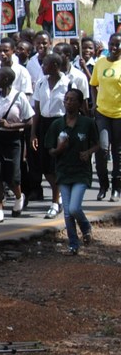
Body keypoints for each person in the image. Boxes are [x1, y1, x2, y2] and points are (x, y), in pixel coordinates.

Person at [47, 89, 98, 254]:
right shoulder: (57, 125)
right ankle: (73, 245)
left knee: (74, 208)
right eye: (66, 99)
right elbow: (50, 150)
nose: (68, 102)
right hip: (63, 172)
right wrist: (59, 149)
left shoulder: (87, 123)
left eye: (72, 100)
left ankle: (85, 226)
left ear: (79, 103)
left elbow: (98, 144)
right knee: (68, 213)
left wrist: (88, 152)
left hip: (81, 172)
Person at [0, 66, 34, 222]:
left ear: (5, 80)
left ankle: (19, 196)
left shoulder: (19, 97)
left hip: (12, 139)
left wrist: (11, 126)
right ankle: (0, 209)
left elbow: (29, 121)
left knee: (12, 176)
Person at [32, 53, 69, 217]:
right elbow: (37, 111)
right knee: (45, 166)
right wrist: (33, 133)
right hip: (44, 125)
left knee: (57, 164)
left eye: (45, 64)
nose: (42, 66)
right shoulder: (41, 83)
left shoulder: (67, 83)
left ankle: (55, 202)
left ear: (55, 65)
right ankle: (58, 194)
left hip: (60, 124)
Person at [90, 33, 121, 202]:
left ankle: (116, 188)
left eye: (118, 44)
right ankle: (103, 185)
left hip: (119, 114)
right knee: (102, 149)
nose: (114, 48)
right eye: (112, 44)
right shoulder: (100, 63)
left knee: (117, 152)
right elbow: (93, 84)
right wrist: (94, 104)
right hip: (102, 112)